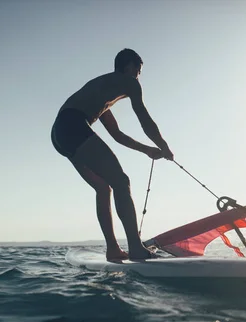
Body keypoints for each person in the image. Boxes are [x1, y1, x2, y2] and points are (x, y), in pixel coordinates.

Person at [51, 48, 174, 261]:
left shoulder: (101, 94)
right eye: (138, 70)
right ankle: (135, 248)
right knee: (121, 181)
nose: (138, 76)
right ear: (129, 67)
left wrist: (147, 150)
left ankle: (113, 249)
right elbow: (145, 120)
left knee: (103, 187)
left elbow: (117, 135)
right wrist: (164, 146)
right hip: (72, 124)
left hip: (59, 133)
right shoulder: (129, 83)